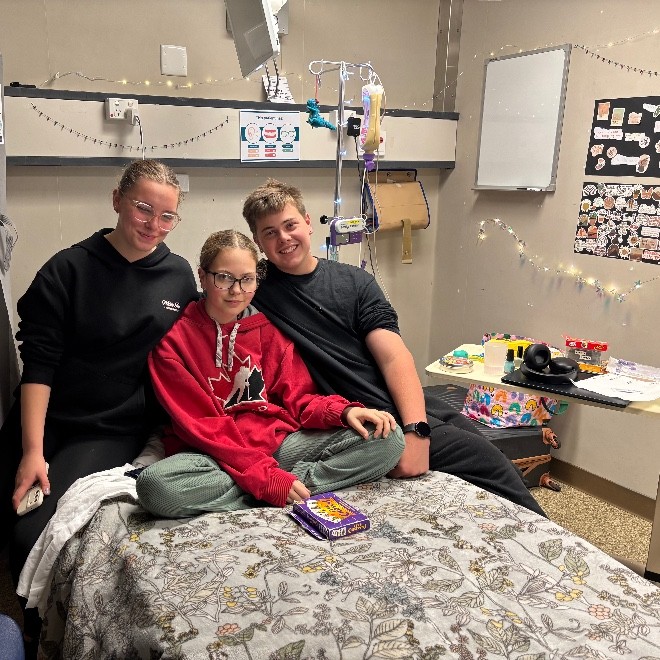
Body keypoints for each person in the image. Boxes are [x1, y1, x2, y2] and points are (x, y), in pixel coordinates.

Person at [242, 179, 546, 518]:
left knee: (484, 446)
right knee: (486, 461)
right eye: (270, 233)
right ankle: (544, 533)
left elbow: (393, 356)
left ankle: (544, 532)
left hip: (394, 401)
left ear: (308, 222)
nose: (283, 238)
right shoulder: (251, 289)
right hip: (360, 414)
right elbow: (212, 288)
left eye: (290, 225)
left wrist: (416, 431)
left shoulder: (354, 282)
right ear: (257, 241)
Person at [0, 159, 198, 654]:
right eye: (143, 209)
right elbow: (39, 364)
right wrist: (32, 450)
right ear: (117, 201)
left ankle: (32, 635)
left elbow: (201, 341)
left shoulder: (177, 276)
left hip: (109, 427)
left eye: (167, 216)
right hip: (45, 415)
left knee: (29, 532)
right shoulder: (68, 269)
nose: (154, 224)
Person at [135, 230, 404, 517]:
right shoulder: (172, 345)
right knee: (154, 487)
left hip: (278, 446)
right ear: (202, 276)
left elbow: (299, 398)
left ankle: (284, 488)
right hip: (212, 455)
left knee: (388, 438)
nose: (236, 290)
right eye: (224, 278)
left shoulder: (269, 332)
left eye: (247, 279)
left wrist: (344, 411)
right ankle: (277, 488)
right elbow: (205, 427)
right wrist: (264, 478)